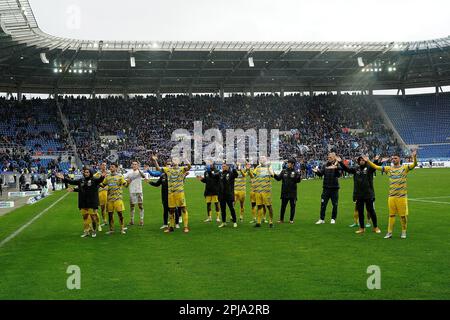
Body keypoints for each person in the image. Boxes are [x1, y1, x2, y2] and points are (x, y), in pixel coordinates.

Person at [364, 150, 417, 239]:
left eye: (395, 158)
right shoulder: (389, 168)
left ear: (399, 159)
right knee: (391, 215)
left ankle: (403, 232)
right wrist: (368, 161)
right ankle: (389, 232)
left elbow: (414, 165)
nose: (393, 159)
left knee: (403, 216)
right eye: (392, 158)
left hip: (401, 197)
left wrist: (414, 157)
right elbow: (376, 167)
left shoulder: (405, 168)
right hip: (391, 197)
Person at [337, 155, 382, 234]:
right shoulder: (356, 169)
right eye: (360, 160)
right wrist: (340, 162)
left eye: (363, 160)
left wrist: (374, 160)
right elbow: (347, 169)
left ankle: (375, 227)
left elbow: (375, 167)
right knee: (360, 212)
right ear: (358, 161)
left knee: (371, 211)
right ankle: (362, 228)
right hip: (359, 194)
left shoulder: (369, 168)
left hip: (368, 193)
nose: (361, 161)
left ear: (365, 161)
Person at [57, 167, 106, 238]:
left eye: (87, 172)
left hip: (92, 202)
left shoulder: (94, 180)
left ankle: (94, 231)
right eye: (85, 172)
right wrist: (64, 178)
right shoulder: (81, 180)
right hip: (83, 202)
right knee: (85, 217)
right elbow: (72, 182)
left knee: (93, 217)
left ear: (90, 173)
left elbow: (100, 180)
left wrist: (102, 176)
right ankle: (86, 232)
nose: (86, 173)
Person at [152, 155, 191, 233]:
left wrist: (186, 159)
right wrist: (155, 160)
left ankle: (186, 227)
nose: (174, 162)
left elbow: (189, 166)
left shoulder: (182, 169)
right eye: (173, 160)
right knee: (172, 210)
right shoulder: (168, 169)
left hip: (179, 192)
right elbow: (158, 169)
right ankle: (171, 227)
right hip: (171, 194)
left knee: (183, 208)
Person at [101, 163, 129, 235]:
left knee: (120, 214)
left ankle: (122, 228)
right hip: (110, 199)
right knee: (110, 215)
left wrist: (128, 182)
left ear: (116, 168)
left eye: (112, 167)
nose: (111, 168)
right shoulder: (107, 177)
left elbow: (125, 185)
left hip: (118, 199)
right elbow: (103, 185)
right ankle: (111, 230)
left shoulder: (120, 176)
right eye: (110, 167)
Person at [313, 152, 341, 225]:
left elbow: (339, 174)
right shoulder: (325, 165)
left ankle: (333, 218)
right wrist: (317, 172)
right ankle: (322, 219)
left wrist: (336, 168)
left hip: (334, 188)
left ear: (334, 158)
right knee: (323, 204)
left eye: (330, 157)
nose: (329, 158)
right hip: (326, 188)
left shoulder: (337, 165)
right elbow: (321, 174)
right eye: (328, 157)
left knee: (335, 204)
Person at [248, 156, 275, 228]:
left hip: (266, 191)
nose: (261, 160)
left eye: (263, 159)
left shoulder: (269, 167)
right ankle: (258, 222)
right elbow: (252, 176)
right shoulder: (257, 167)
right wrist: (248, 170)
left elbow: (273, 175)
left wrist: (268, 168)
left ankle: (271, 222)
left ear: (266, 160)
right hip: (258, 191)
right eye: (260, 159)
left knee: (269, 206)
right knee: (259, 206)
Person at [273, 158, 302, 224]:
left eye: (289, 163)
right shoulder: (283, 171)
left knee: (292, 206)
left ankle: (291, 220)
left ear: (292, 164)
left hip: (293, 193)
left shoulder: (296, 172)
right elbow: (278, 179)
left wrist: (299, 176)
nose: (288, 164)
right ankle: (281, 219)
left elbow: (298, 181)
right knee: (283, 207)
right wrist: (273, 174)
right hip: (284, 192)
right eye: (288, 163)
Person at [125, 161, 146, 226]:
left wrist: (139, 169)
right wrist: (127, 181)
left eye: (135, 164)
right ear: (131, 165)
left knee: (140, 206)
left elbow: (143, 176)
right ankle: (132, 220)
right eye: (133, 164)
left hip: (139, 191)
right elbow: (123, 179)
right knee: (132, 206)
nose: (134, 165)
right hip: (132, 191)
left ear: (137, 165)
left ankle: (141, 220)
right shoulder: (129, 173)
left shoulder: (139, 172)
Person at [218, 162, 238, 228]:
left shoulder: (231, 173)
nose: (223, 167)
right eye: (222, 166)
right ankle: (223, 222)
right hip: (222, 195)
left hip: (229, 194)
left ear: (227, 167)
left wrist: (235, 168)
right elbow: (213, 177)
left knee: (231, 208)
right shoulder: (220, 174)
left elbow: (236, 174)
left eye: (224, 166)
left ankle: (235, 222)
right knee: (223, 210)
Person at [94, 162, 109, 231]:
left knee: (109, 207)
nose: (104, 166)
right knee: (103, 207)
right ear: (100, 166)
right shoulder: (97, 174)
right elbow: (93, 179)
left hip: (108, 192)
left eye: (105, 165)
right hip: (101, 192)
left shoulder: (109, 173)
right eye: (103, 165)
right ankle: (104, 220)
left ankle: (109, 220)